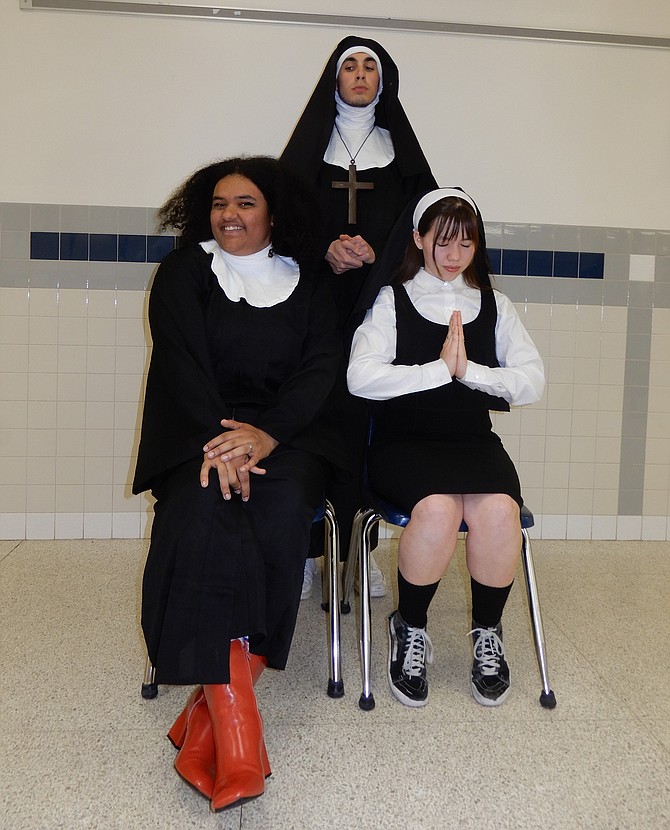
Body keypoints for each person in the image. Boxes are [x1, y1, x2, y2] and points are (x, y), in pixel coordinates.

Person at [132, 156, 346, 811]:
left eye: (246, 203)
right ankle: (236, 726)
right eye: (221, 203)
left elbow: (319, 371)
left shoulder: (309, 282)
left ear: (273, 215)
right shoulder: (183, 271)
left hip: (287, 439)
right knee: (201, 513)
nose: (230, 214)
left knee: (280, 515)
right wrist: (219, 441)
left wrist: (266, 436)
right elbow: (182, 363)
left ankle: (203, 722)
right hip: (198, 431)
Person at [347, 188, 545, 708]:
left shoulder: (494, 304)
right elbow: (360, 378)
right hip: (402, 443)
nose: (455, 255)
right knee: (436, 510)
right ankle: (409, 627)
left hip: (471, 441)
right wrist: (439, 370)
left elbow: (532, 380)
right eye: (443, 241)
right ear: (418, 239)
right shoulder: (393, 297)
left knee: (500, 512)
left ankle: (488, 633)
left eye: (466, 242)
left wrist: (470, 373)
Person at [280, 36, 437, 599]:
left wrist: (382, 254)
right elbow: (283, 218)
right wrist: (325, 246)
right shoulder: (307, 148)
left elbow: (425, 222)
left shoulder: (402, 152)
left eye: (371, 65)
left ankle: (361, 551)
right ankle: (302, 546)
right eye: (351, 64)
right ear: (335, 77)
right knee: (305, 418)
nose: (361, 73)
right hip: (312, 304)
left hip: (378, 307)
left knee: (366, 427)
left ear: (384, 78)